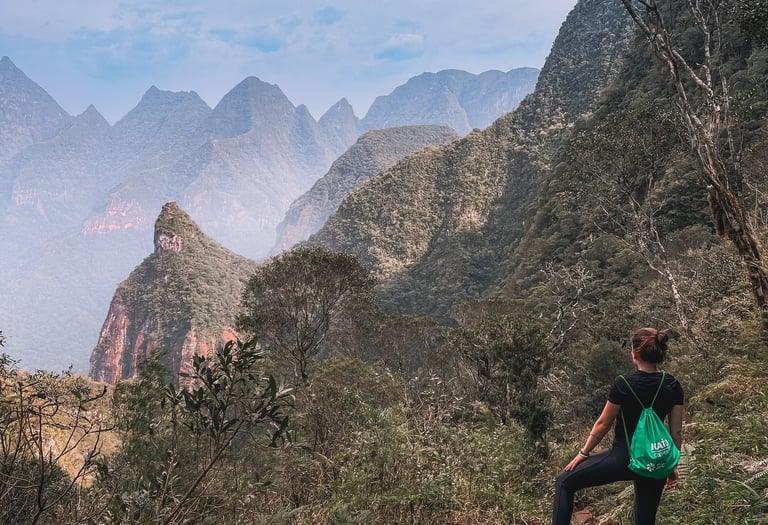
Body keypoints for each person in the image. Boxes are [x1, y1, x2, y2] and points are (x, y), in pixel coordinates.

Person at [552, 327, 684, 525]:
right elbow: (676, 432)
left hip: (622, 459)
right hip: (654, 461)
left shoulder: (623, 383)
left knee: (564, 481)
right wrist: (670, 465)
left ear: (634, 354)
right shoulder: (673, 385)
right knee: (645, 519)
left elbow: (603, 424)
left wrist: (583, 453)